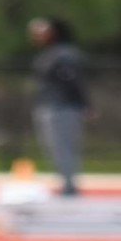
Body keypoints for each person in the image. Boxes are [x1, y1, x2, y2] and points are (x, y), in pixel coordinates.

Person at [28, 16, 90, 197]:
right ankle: (66, 182)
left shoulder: (64, 55)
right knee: (53, 147)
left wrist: (84, 104)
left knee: (64, 146)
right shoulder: (49, 54)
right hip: (48, 105)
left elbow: (73, 82)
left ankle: (69, 186)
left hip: (62, 107)